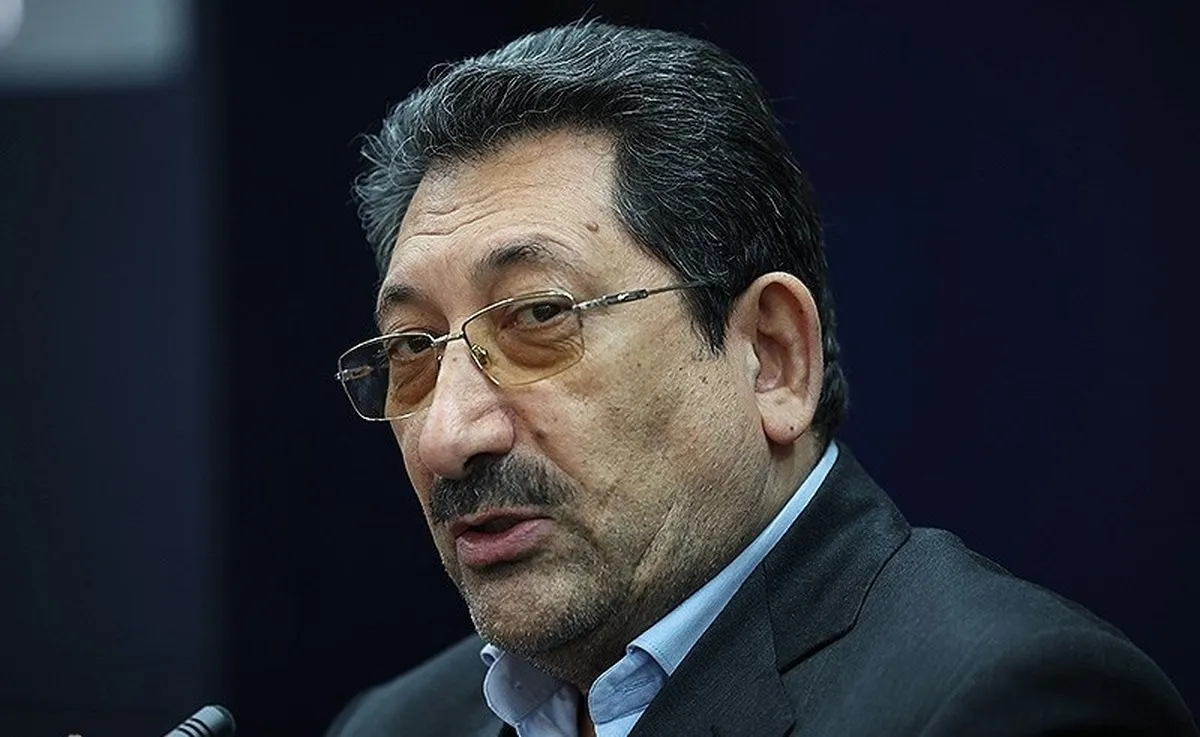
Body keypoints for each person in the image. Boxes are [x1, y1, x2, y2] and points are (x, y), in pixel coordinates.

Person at [324, 21, 1196, 737]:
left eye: (540, 316)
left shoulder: (1004, 704)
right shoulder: (392, 725)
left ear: (773, 357)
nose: (448, 435)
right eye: (411, 350)